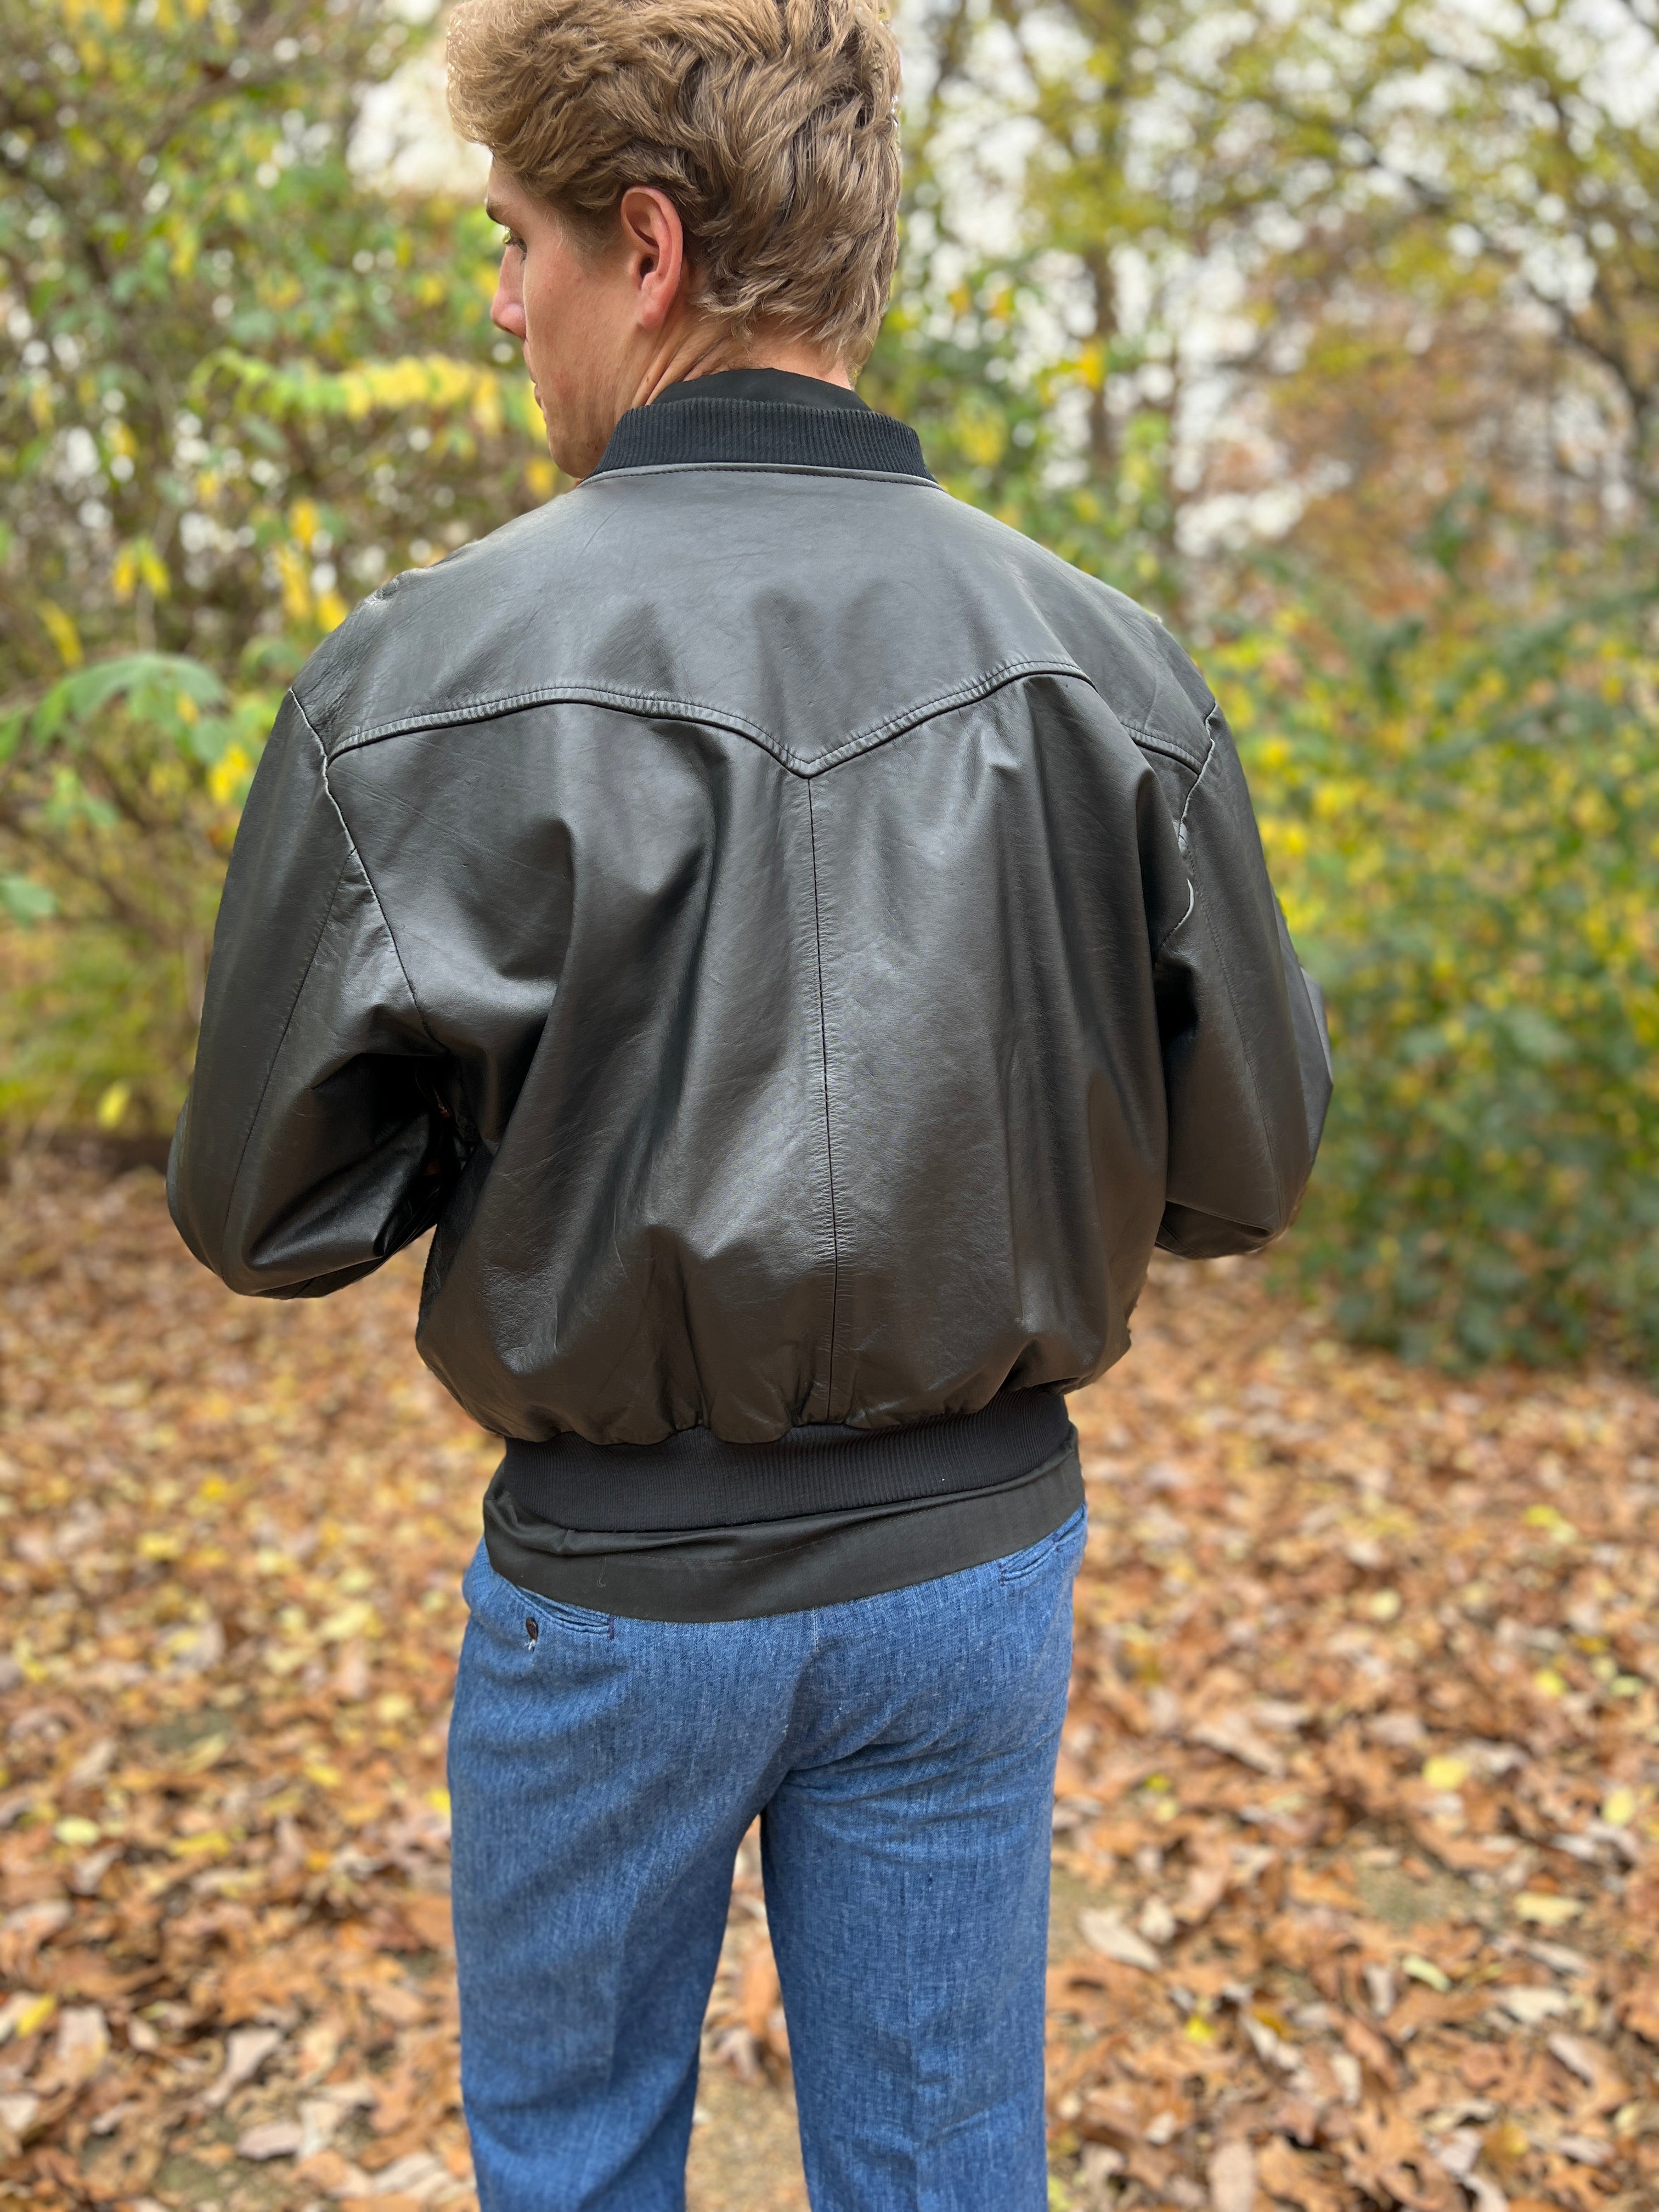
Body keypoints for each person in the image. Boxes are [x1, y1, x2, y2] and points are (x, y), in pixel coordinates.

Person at [167, 0, 1333, 2203]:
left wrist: (509, 1128)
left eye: (513, 241)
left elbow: (266, 1210)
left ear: (646, 245)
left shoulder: (416, 682)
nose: (500, 299)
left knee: (585, 2163)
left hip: (620, 1593)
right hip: (972, 1577)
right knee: (941, 2161)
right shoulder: (1112, 667)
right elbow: (1248, 1162)